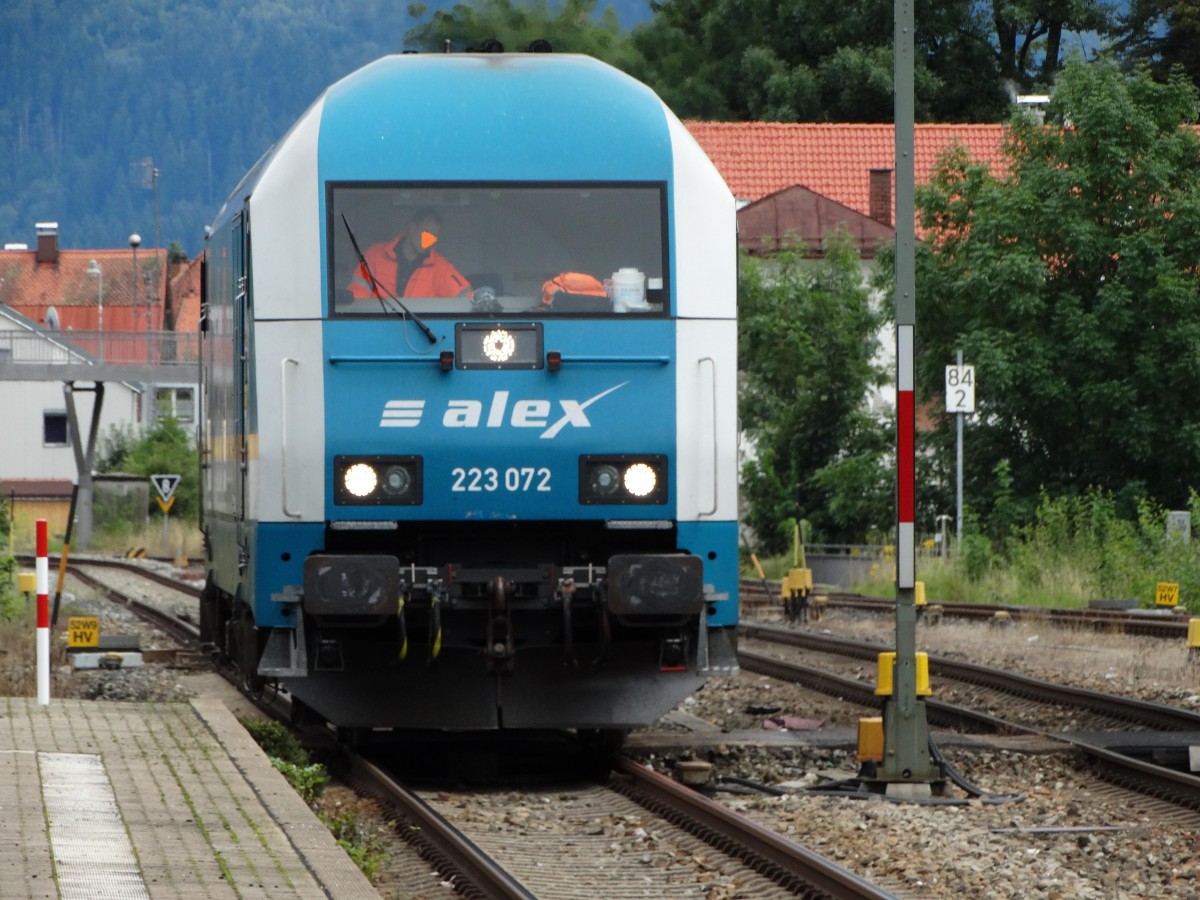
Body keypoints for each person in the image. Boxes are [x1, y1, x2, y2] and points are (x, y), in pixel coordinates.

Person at [346, 209, 472, 300]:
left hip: (420, 333)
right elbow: (357, 296)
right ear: (412, 227)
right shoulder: (374, 255)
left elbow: (465, 296)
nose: (428, 241)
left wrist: (484, 300)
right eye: (426, 234)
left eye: (434, 237)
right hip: (377, 329)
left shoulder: (440, 267)